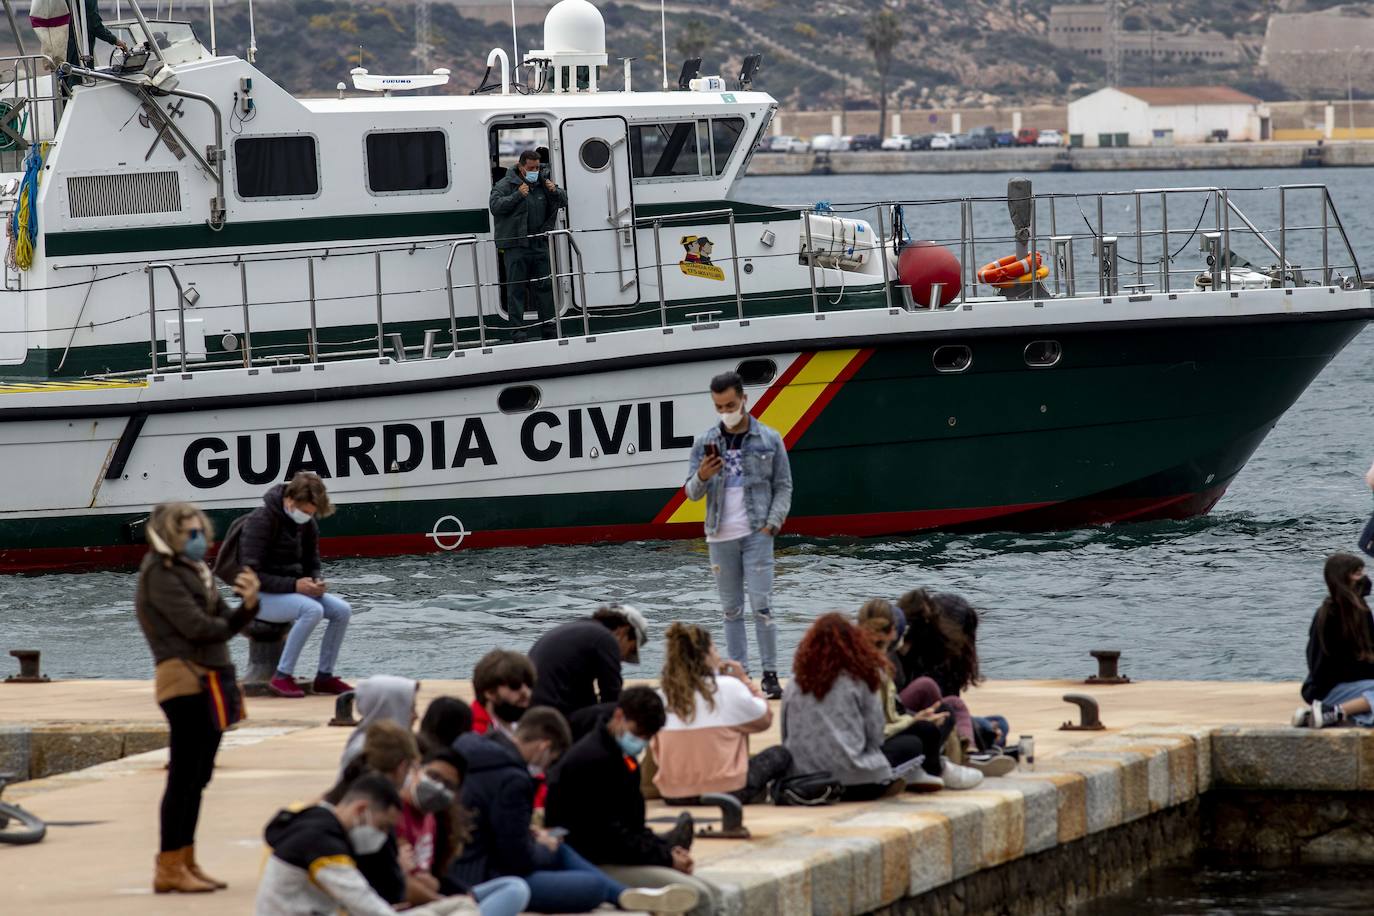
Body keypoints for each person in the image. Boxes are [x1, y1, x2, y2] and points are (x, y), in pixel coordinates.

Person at [450, 708, 697, 914]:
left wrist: (533, 836)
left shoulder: (478, 755)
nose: (545, 768)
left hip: (469, 864)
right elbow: (518, 860)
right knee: (591, 886)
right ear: (543, 746)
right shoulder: (513, 780)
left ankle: (625, 895)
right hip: (488, 875)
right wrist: (544, 848)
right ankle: (621, 894)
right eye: (551, 759)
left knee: (562, 849)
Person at [135, 501, 260, 894]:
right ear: (170, 534)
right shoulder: (160, 573)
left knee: (198, 777)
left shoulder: (196, 570)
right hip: (185, 682)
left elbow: (223, 620)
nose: (199, 539)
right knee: (184, 777)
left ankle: (185, 859)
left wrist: (250, 606)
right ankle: (169, 864)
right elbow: (200, 628)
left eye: (200, 531)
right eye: (189, 532)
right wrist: (240, 616)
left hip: (211, 680)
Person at [545, 688, 715, 914]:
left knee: (715, 892)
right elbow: (609, 837)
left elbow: (632, 827)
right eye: (639, 732)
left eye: (649, 736)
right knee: (697, 896)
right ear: (619, 717)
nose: (642, 741)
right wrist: (665, 858)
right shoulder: (591, 761)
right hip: (594, 861)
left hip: (615, 854)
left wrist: (667, 850)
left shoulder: (621, 758)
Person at [684, 370, 793, 699]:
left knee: (763, 606)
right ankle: (739, 674)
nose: (725, 411)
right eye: (718, 406)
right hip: (720, 534)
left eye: (730, 404)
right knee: (731, 610)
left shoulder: (769, 438)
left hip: (757, 532)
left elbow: (783, 485)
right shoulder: (704, 442)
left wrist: (772, 524)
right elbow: (690, 493)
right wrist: (702, 475)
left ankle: (770, 674)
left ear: (744, 399)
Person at [256, 773, 476, 916]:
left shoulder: (319, 821)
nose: (382, 836)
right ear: (361, 810)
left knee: (461, 906)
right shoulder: (323, 843)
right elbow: (361, 900)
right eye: (382, 827)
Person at [240, 472, 353, 699]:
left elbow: (312, 561)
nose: (308, 516)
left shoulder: (307, 524)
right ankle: (282, 675)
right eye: (305, 512)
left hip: (292, 591)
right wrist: (295, 586)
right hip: (258, 596)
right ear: (290, 500)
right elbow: (251, 573)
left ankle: (324, 676)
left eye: (311, 513)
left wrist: (315, 580)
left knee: (342, 610)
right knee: (312, 610)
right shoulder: (260, 521)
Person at [781, 613, 918, 801]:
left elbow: (785, 734)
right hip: (856, 780)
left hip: (805, 778)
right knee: (913, 744)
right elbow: (875, 736)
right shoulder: (861, 679)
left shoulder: (794, 683)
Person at [652, 622, 790, 804]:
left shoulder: (661, 695)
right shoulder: (729, 687)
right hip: (728, 792)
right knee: (780, 754)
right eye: (715, 649)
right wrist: (744, 680)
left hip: (675, 795)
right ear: (705, 656)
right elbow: (764, 718)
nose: (719, 656)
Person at [855, 600, 985, 790]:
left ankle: (939, 762)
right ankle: (937, 767)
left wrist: (913, 719)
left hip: (844, 756)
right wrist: (913, 721)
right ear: (894, 632)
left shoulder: (866, 664)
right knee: (923, 733)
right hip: (861, 760)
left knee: (945, 718)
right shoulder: (877, 669)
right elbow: (877, 730)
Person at [398, 747, 533, 916]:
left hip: (433, 900)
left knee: (515, 888)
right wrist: (446, 901)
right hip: (411, 906)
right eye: (433, 776)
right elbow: (403, 884)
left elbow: (433, 877)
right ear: (416, 769)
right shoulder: (395, 811)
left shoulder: (433, 819)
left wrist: (458, 893)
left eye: (448, 785)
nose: (438, 787)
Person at [529, 604, 649, 729]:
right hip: (554, 719)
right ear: (623, 630)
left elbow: (586, 696)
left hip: (534, 713)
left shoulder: (581, 629)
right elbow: (611, 695)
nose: (624, 658)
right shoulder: (606, 639)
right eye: (632, 650)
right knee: (629, 707)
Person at [488, 149, 567, 342]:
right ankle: (518, 333)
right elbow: (495, 206)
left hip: (538, 244)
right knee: (516, 290)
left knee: (545, 287)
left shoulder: (542, 182)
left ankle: (549, 331)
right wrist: (517, 195)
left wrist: (554, 190)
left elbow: (563, 200)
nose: (535, 171)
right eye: (531, 168)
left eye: (537, 167)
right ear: (521, 166)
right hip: (515, 246)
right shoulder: (506, 184)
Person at [1295, 553, 1374, 728]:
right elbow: (1325, 665)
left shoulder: (1358, 611)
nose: (1365, 578)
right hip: (1329, 688)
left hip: (1349, 686)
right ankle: (1333, 711)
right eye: (1359, 573)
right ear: (1345, 577)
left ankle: (1316, 716)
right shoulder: (1331, 615)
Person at [341, 675, 422, 771]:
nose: (416, 716)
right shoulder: (363, 752)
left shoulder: (399, 743)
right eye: (410, 709)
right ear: (388, 708)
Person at [470, 649, 535, 737]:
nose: (526, 692)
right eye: (514, 685)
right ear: (490, 692)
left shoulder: (517, 721)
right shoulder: (476, 734)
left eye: (529, 684)